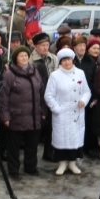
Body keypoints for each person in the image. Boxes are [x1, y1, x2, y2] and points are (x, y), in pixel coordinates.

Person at [0, 47, 44, 177]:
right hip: (16, 115)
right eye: (21, 56)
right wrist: (5, 116)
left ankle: (31, 167)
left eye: (26, 55)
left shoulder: (34, 71)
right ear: (16, 59)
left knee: (32, 144)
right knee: (14, 146)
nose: (24, 58)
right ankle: (13, 170)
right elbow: (4, 97)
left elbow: (41, 91)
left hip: (33, 115)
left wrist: (43, 110)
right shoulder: (10, 74)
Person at [45, 48, 91, 175]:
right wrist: (56, 108)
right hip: (62, 113)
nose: (67, 62)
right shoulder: (55, 76)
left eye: (69, 60)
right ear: (60, 62)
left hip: (77, 112)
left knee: (75, 138)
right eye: (64, 60)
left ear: (73, 60)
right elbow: (48, 95)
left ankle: (72, 163)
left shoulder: (80, 73)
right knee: (62, 139)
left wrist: (83, 100)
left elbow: (87, 91)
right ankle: (62, 163)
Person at [31, 33, 58, 161]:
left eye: (47, 45)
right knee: (36, 130)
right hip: (36, 97)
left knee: (51, 128)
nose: (45, 48)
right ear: (36, 46)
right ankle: (32, 158)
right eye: (42, 45)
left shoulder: (53, 58)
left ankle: (49, 153)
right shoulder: (31, 61)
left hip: (51, 96)